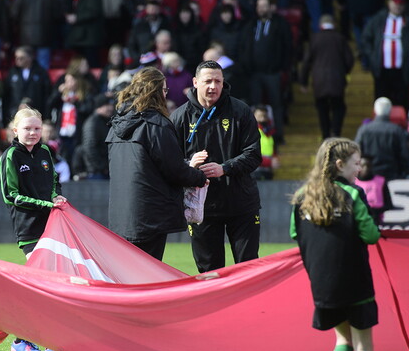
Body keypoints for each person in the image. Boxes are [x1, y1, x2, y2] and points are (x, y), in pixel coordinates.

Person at [289, 137, 397, 351]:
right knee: (363, 345)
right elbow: (371, 236)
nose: (360, 167)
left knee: (341, 340)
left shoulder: (302, 196)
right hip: (355, 280)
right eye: (355, 162)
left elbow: (295, 234)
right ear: (340, 165)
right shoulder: (353, 193)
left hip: (322, 285)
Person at [104, 66, 209, 260]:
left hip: (121, 216)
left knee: (128, 278)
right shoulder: (156, 124)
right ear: (156, 92)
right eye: (164, 90)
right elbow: (174, 169)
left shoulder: (116, 124)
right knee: (146, 278)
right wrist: (199, 177)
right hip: (150, 215)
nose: (165, 94)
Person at [170, 60, 262, 273]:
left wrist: (225, 167)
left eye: (218, 81)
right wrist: (188, 164)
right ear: (195, 82)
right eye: (208, 81)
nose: (213, 86)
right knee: (209, 272)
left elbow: (254, 154)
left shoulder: (240, 111)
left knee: (248, 268)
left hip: (241, 204)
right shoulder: (180, 117)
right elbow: (169, 162)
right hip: (201, 208)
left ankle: (252, 308)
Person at [0, 106, 70, 351]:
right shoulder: (9, 157)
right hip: (29, 229)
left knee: (53, 284)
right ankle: (21, 340)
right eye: (27, 128)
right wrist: (47, 205)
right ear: (15, 130)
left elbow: (54, 182)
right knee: (43, 286)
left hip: (52, 226)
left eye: (37, 129)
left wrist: (56, 195)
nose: (32, 133)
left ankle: (50, 342)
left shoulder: (45, 151)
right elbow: (10, 195)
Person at [240, 0, 293, 146]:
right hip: (254, 73)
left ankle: (278, 136)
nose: (261, 9)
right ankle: (254, 136)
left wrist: (283, 67)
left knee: (276, 104)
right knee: (255, 106)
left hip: (273, 72)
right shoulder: (251, 24)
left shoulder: (280, 24)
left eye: (264, 5)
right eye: (259, 6)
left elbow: (287, 47)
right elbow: (244, 46)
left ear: (271, 7)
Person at [361, 0, 409, 110]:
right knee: (381, 101)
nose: (398, 6)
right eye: (395, 3)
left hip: (403, 70)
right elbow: (365, 38)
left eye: (401, 4)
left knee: (402, 102)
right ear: (389, 3)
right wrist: (372, 56)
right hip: (382, 70)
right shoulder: (379, 19)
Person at [301, 14, 355, 140]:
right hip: (337, 80)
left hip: (319, 81)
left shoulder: (314, 39)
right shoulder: (340, 38)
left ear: (320, 25)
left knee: (322, 108)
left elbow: (306, 62)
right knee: (338, 106)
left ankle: (325, 134)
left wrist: (303, 82)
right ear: (333, 24)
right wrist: (344, 72)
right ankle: (336, 132)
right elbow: (350, 60)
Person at [354, 97, 409, 181]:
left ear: (375, 111)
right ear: (390, 111)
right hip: (392, 176)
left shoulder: (364, 130)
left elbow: (356, 153)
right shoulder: (397, 130)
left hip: (369, 177)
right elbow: (405, 156)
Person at [3, 46, 52, 124]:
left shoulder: (41, 72)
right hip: (14, 113)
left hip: (36, 113)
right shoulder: (12, 72)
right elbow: (6, 95)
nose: (17, 60)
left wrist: (46, 116)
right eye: (16, 57)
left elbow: (46, 94)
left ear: (30, 58)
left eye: (21, 58)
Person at [80, 93, 114, 179]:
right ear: (99, 107)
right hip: (97, 172)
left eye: (111, 105)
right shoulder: (93, 123)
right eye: (107, 105)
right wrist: (102, 167)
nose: (111, 108)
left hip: (104, 170)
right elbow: (89, 147)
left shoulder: (105, 121)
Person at [353, 155, 392, 226]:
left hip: (376, 219)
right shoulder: (353, 182)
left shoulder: (380, 181)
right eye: (363, 165)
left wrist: (376, 211)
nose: (366, 168)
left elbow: (389, 204)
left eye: (368, 166)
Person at [251, 104, 278, 180]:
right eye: (259, 116)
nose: (262, 119)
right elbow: (250, 154)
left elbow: (272, 149)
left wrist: (275, 158)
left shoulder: (269, 132)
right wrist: (269, 162)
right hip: (254, 171)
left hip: (268, 171)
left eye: (264, 116)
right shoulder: (250, 132)